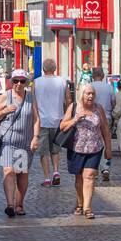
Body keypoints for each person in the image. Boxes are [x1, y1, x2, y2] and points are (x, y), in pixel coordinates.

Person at [58, 83, 112, 219]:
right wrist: (75, 119)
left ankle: (87, 207)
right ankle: (80, 203)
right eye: (88, 93)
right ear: (81, 94)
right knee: (78, 178)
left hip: (95, 148)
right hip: (76, 147)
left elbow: (105, 129)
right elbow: (62, 126)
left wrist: (108, 149)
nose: (90, 96)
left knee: (89, 175)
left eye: (92, 94)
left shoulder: (98, 109)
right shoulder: (74, 107)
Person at [0, 69, 40, 217]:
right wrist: (5, 110)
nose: (19, 84)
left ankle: (19, 204)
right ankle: (10, 205)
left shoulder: (30, 97)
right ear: (11, 82)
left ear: (26, 82)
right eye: (15, 81)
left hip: (25, 141)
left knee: (21, 174)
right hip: (8, 141)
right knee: (9, 171)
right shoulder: (5, 96)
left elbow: (36, 119)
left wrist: (35, 137)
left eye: (22, 81)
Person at [33, 58, 70, 188]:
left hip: (42, 121)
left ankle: (47, 178)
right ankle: (56, 172)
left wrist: (35, 118)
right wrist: (67, 115)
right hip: (58, 119)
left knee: (43, 152)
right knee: (55, 150)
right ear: (55, 68)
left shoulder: (36, 82)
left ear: (43, 69)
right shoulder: (62, 81)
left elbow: (34, 103)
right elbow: (68, 100)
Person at [90, 66, 116, 182]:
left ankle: (93, 168)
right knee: (106, 143)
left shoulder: (89, 87)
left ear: (92, 76)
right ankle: (105, 167)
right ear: (103, 76)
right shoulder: (109, 88)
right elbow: (114, 102)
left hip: (92, 118)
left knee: (93, 143)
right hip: (107, 117)